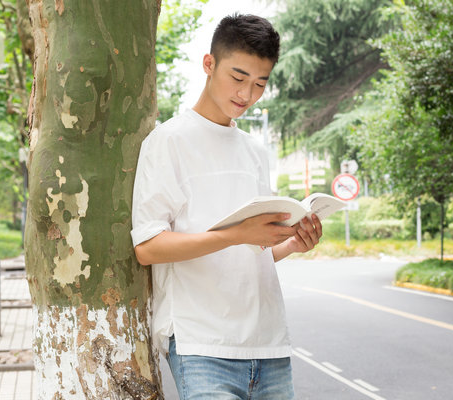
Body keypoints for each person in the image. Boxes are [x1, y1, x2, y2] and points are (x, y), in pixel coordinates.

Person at [131, 14, 322, 400]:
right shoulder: (168, 141)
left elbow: (252, 252)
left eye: (260, 83)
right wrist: (236, 235)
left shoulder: (255, 151)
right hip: (202, 345)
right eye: (238, 78)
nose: (247, 94)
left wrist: (291, 244)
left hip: (268, 345)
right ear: (209, 64)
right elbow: (148, 247)